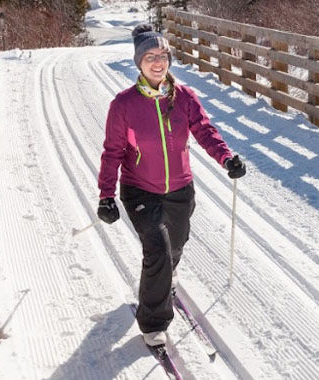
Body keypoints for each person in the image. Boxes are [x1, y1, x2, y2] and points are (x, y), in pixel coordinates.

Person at [96, 24, 246, 348]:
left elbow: (204, 130)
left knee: (176, 246)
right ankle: (153, 323)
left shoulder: (184, 98)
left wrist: (226, 158)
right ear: (139, 62)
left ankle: (166, 276)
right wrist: (106, 195)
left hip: (180, 188)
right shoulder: (124, 105)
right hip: (140, 189)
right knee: (159, 252)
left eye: (162, 56)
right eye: (150, 57)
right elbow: (112, 153)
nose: (157, 62)